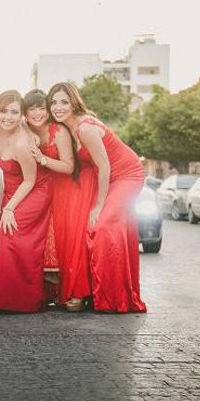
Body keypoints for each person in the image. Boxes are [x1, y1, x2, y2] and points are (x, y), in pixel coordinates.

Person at [48, 82, 146, 313]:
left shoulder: (84, 128)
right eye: (53, 102)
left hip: (126, 175)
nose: (58, 107)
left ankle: (113, 298)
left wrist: (98, 205)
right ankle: (96, 292)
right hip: (110, 177)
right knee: (98, 229)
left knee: (102, 227)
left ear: (74, 102)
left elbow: (104, 166)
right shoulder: (67, 128)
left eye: (64, 101)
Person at [24, 89, 91, 312]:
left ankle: (76, 291)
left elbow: (69, 166)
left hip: (66, 187)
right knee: (45, 238)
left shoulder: (58, 131)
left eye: (42, 108)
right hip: (42, 189)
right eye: (31, 108)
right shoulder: (24, 130)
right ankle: (48, 291)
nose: (37, 113)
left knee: (68, 239)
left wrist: (42, 158)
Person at [0, 90, 52, 313]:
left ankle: (24, 300)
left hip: (35, 189)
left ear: (21, 115)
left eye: (14, 112)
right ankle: (6, 298)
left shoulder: (22, 144)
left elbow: (30, 180)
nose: (8, 116)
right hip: (11, 190)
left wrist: (9, 208)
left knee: (11, 235)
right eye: (4, 111)